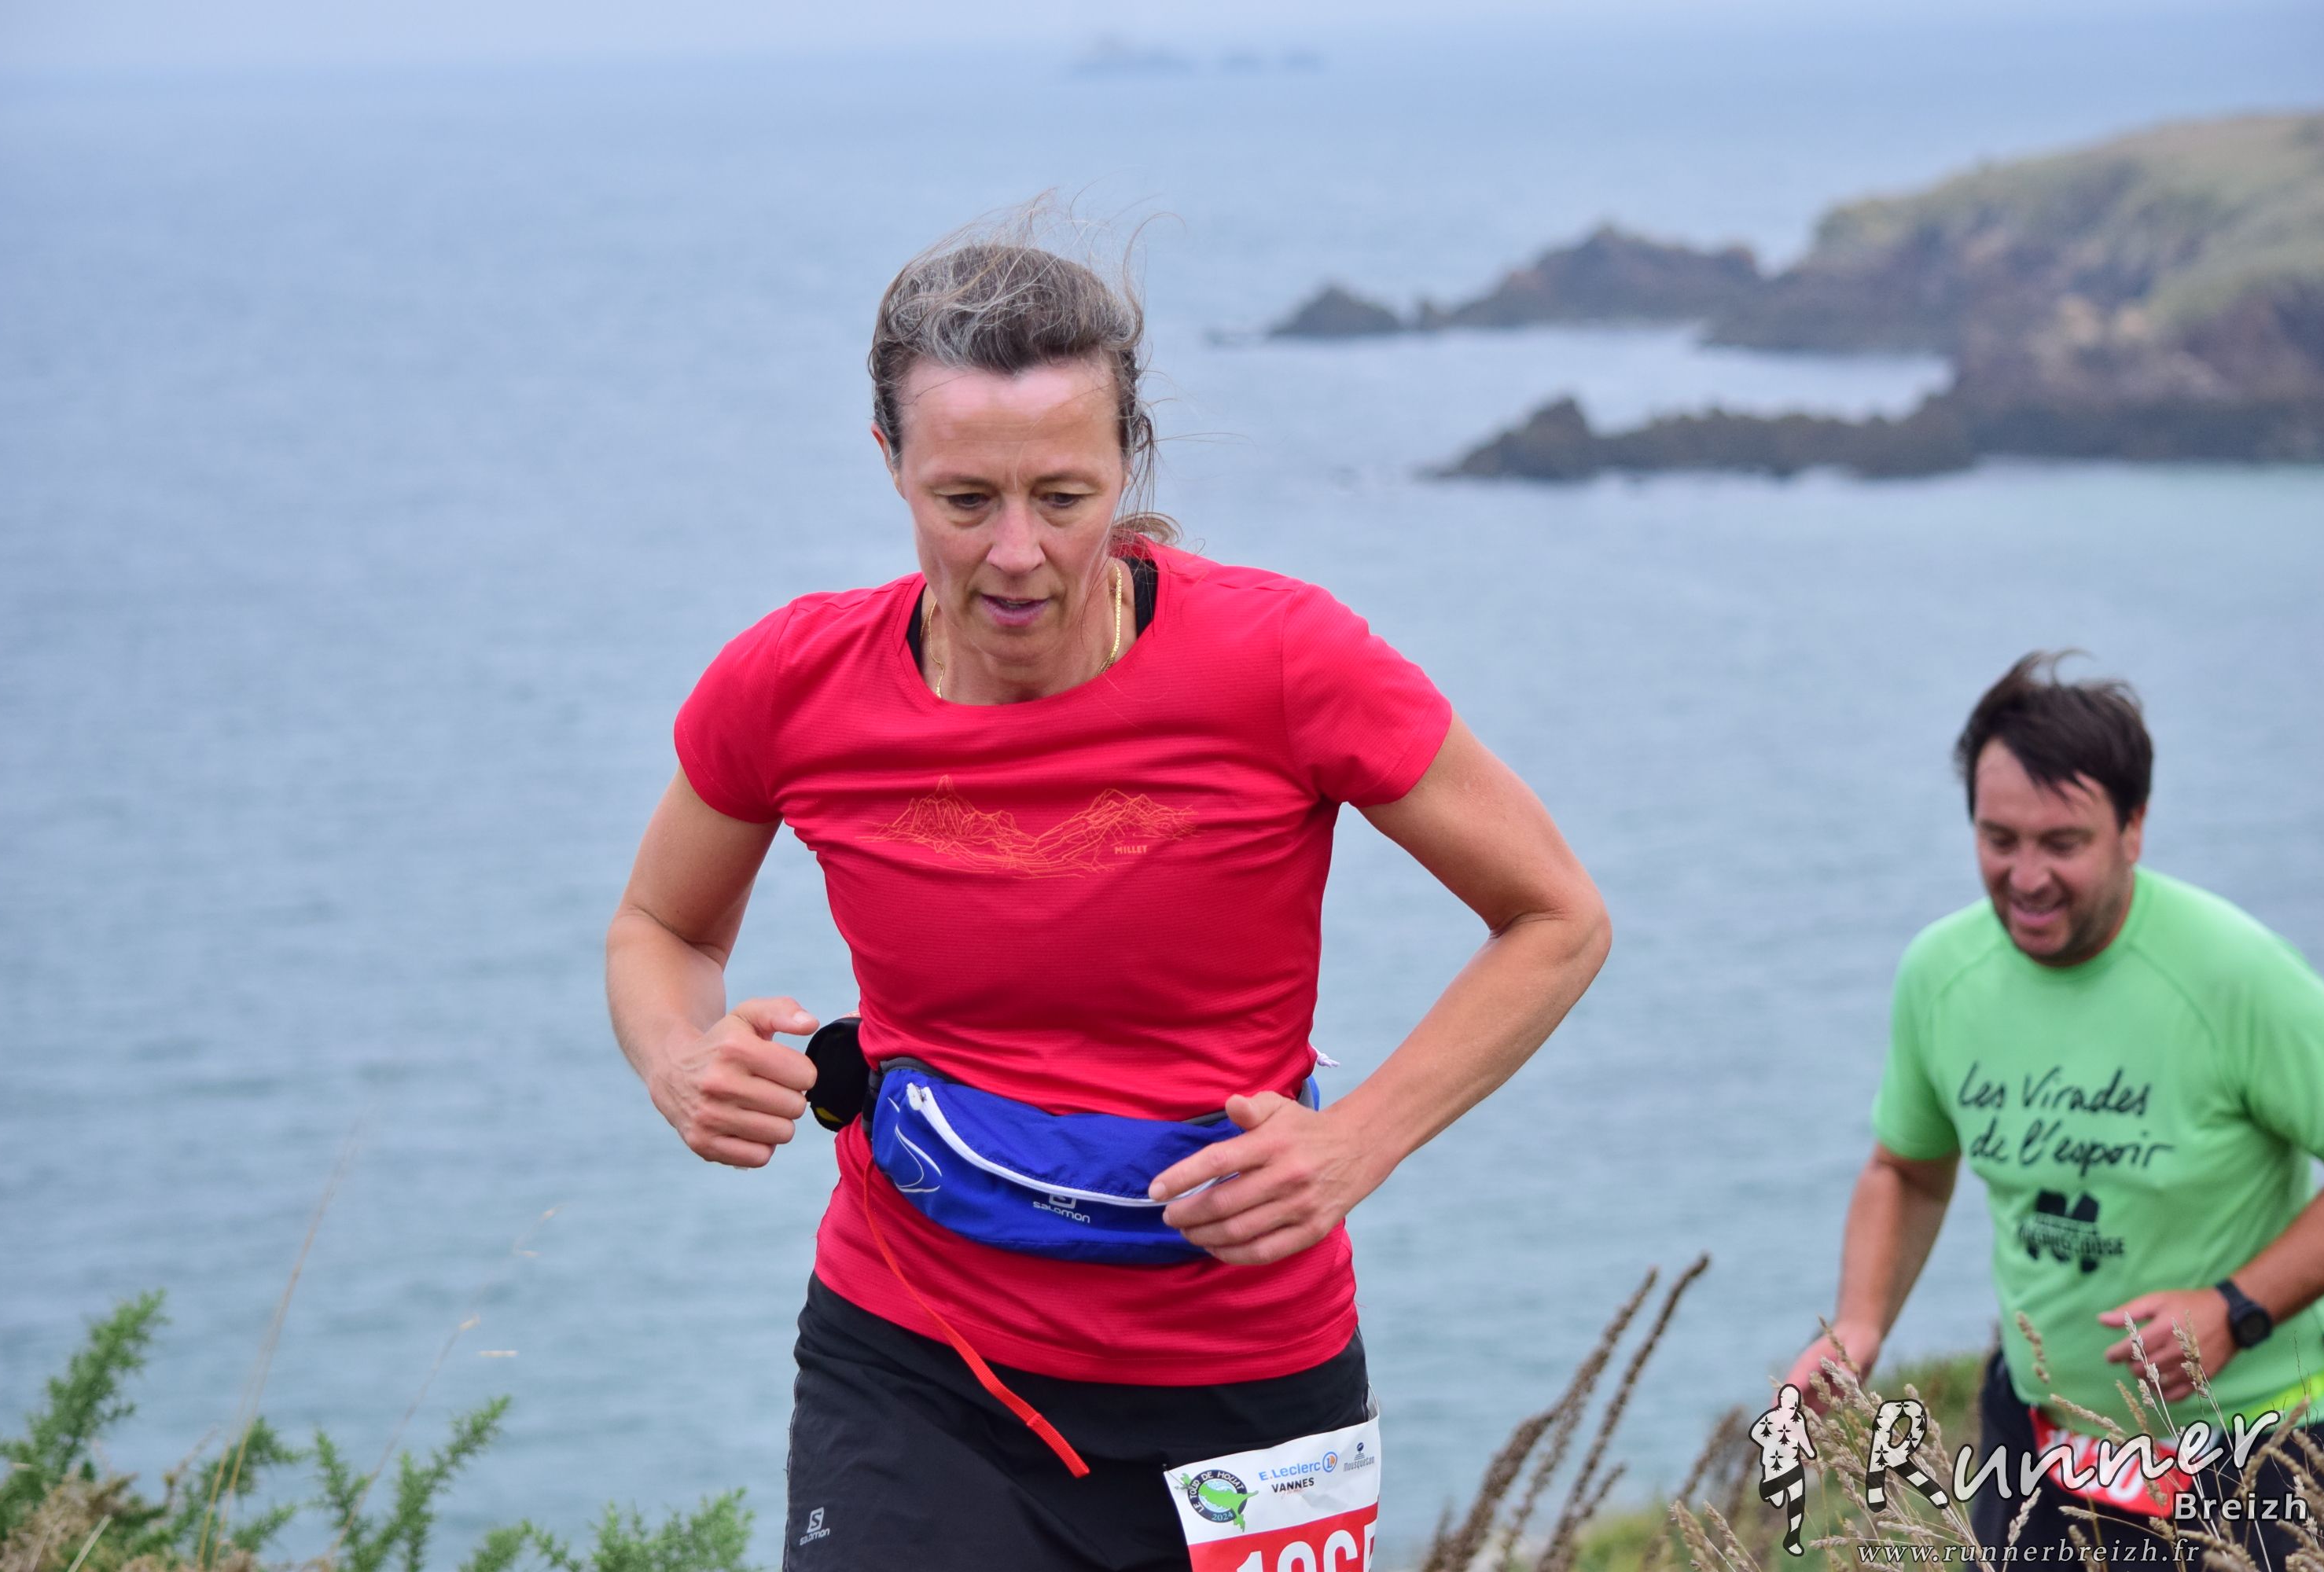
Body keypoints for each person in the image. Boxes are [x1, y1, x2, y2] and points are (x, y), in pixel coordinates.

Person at [603, 227, 1610, 1571]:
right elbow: (662, 930)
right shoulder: (791, 684)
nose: (1018, 553)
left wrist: (1358, 1143)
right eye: (966, 500)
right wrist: (678, 1059)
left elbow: (1555, 919)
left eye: (1064, 497)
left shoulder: (1284, 661)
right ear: (889, 460)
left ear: (1127, 461)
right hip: (916, 1358)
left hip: (1248, 1385)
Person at [1785, 653, 2324, 1564]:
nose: (2026, 876)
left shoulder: (2235, 974)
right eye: (1998, 838)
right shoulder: (1942, 973)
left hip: (2256, 1441)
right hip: (2045, 1437)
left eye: (2062, 842)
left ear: (2133, 827)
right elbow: (1907, 1170)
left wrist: (2234, 1307)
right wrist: (1858, 1321)